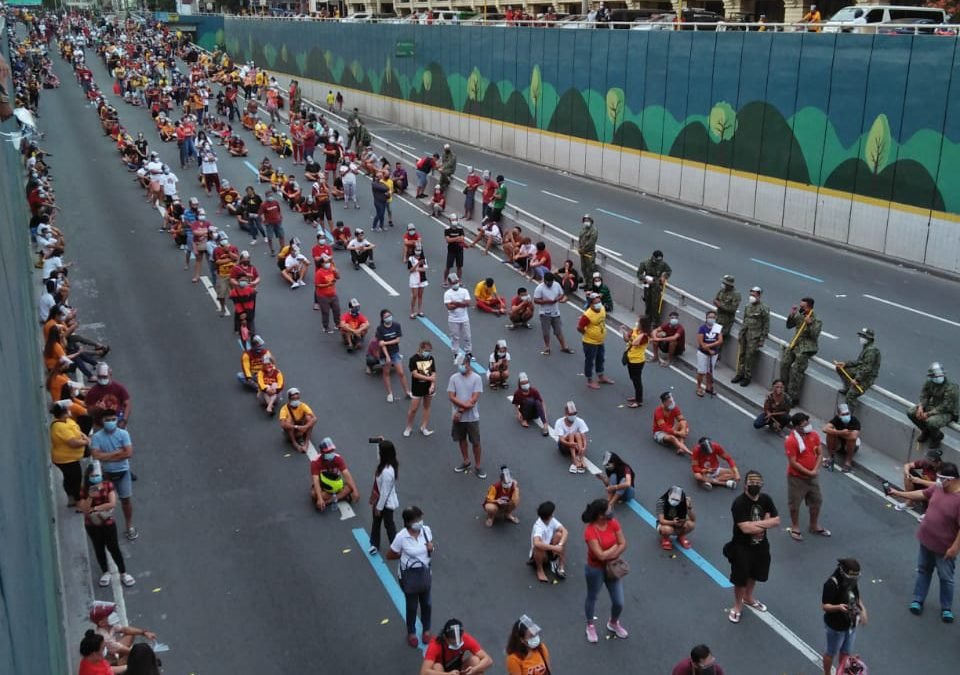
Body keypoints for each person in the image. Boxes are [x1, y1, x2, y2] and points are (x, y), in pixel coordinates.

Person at [886, 462, 960, 622]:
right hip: (926, 540)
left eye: (941, 478)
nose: (938, 481)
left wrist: (954, 548)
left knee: (946, 577)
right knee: (923, 571)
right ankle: (918, 599)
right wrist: (898, 493)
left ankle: (946, 607)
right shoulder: (939, 488)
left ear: (952, 479)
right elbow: (922, 494)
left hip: (944, 547)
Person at [725, 470, 780, 624]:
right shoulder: (739, 503)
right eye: (752, 483)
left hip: (761, 546)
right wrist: (765, 523)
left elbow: (776, 521)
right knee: (740, 578)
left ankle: (748, 597)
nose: (754, 486)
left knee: (754, 574)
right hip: (742, 547)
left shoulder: (766, 499)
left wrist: (757, 525)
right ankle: (737, 606)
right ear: (745, 485)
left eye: (757, 483)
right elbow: (745, 529)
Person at [78, 460, 136, 589]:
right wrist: (90, 497)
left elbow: (112, 503)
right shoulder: (85, 489)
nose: (95, 478)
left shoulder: (108, 485)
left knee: (113, 547)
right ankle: (105, 571)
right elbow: (83, 508)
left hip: (107, 522)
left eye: (97, 475)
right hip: (91, 524)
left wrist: (95, 509)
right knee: (98, 548)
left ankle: (123, 572)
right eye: (92, 476)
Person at [581, 498, 629, 642]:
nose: (611, 511)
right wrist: (615, 548)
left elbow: (624, 543)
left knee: (619, 601)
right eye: (608, 509)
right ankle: (590, 625)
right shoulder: (590, 532)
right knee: (592, 596)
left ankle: (613, 622)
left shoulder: (612, 523)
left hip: (612, 566)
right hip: (595, 569)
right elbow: (600, 556)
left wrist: (610, 552)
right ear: (600, 515)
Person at [391, 506, 436, 649]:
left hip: (424, 574)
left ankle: (426, 629)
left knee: (427, 604)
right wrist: (404, 554)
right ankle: (411, 632)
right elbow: (391, 554)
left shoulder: (426, 531)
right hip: (409, 577)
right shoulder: (401, 537)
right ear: (409, 522)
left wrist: (431, 549)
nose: (420, 522)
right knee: (411, 606)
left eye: (420, 519)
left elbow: (430, 548)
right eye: (417, 520)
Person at [89, 410, 137, 541]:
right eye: (107, 420)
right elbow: (95, 455)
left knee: (126, 501)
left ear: (117, 420)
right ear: (102, 422)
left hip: (123, 472)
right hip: (106, 475)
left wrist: (106, 457)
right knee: (104, 501)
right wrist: (117, 453)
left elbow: (128, 453)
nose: (110, 422)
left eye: (113, 419)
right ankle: (104, 526)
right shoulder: (97, 437)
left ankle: (129, 526)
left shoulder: (124, 434)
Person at [784, 412, 830, 541]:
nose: (808, 426)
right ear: (797, 427)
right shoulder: (791, 441)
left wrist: (814, 470)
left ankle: (814, 525)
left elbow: (820, 454)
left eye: (808, 423)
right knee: (795, 504)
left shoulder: (813, 435)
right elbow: (793, 462)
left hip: (812, 477)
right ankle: (795, 527)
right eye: (805, 424)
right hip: (797, 478)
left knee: (816, 501)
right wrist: (808, 472)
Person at [822, 558, 868, 675]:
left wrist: (863, 610)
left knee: (846, 653)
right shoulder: (831, 584)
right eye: (852, 578)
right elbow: (825, 606)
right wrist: (838, 607)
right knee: (831, 652)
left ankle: (841, 672)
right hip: (836, 626)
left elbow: (856, 596)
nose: (854, 581)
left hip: (850, 624)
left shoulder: (851, 582)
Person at [906, 362, 959, 450]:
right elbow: (924, 395)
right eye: (935, 376)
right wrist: (921, 407)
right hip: (933, 407)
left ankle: (937, 437)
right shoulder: (930, 383)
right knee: (911, 412)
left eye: (939, 376)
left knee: (931, 422)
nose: (937, 378)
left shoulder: (952, 388)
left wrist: (928, 414)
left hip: (947, 412)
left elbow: (946, 406)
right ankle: (926, 431)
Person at [449, 352, 485, 478]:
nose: (461, 367)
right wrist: (462, 409)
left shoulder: (476, 378)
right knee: (461, 439)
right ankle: (466, 461)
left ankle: (478, 465)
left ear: (468, 364)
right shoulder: (454, 378)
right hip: (458, 418)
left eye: (462, 364)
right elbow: (451, 396)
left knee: (476, 442)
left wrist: (459, 411)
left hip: (471, 417)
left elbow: (474, 399)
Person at [781, 297, 822, 405]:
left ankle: (792, 397)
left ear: (809, 307)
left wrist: (809, 324)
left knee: (796, 370)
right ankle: (782, 390)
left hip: (806, 347)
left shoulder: (816, 320)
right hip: (796, 343)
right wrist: (792, 315)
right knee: (784, 363)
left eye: (803, 307)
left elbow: (815, 335)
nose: (801, 308)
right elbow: (789, 326)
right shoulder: (800, 315)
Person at [50, 401, 89, 505]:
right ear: (64, 412)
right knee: (74, 479)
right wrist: (85, 442)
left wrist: (84, 436)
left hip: (72, 458)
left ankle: (73, 498)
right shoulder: (59, 427)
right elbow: (73, 443)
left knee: (72, 478)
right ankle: (77, 501)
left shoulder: (68, 421)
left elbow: (77, 430)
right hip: (65, 460)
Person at [420, 619, 493, 674]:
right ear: (445, 638)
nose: (456, 645)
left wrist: (475, 669)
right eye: (453, 642)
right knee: (436, 666)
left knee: (475, 660)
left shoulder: (465, 638)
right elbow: (424, 672)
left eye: (459, 641)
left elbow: (488, 660)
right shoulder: (435, 645)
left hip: (459, 669)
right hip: (442, 671)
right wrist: (448, 674)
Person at [732, 286, 770, 387]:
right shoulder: (747, 306)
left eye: (754, 295)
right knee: (742, 355)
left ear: (759, 295)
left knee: (750, 357)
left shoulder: (763, 308)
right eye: (751, 294)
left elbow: (766, 325)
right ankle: (739, 374)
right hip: (745, 334)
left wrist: (762, 339)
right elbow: (745, 320)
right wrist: (741, 333)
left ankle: (747, 377)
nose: (751, 296)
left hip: (754, 337)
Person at [309, 437, 359, 511]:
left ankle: (328, 502)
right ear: (322, 452)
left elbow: (346, 474)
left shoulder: (338, 458)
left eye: (332, 451)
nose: (330, 453)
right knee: (314, 494)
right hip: (324, 487)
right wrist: (319, 498)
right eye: (328, 452)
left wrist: (355, 490)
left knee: (350, 487)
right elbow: (316, 480)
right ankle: (341, 497)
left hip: (337, 485)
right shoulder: (315, 462)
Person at [834, 328, 881, 407]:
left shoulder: (871, 351)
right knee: (840, 369)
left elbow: (867, 369)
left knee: (851, 395)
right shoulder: (867, 348)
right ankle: (848, 387)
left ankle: (849, 416)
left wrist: (857, 379)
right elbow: (859, 362)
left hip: (867, 377)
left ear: (869, 339)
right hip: (860, 371)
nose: (861, 338)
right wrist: (845, 364)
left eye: (863, 337)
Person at [369, 439, 399, 556]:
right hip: (380, 500)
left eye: (380, 451)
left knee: (388, 524)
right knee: (376, 523)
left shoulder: (387, 472)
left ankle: (395, 547)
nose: (378, 454)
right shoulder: (385, 464)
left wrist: (379, 508)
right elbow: (379, 454)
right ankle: (374, 544)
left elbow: (385, 493)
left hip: (385, 503)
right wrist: (378, 443)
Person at [578, 292, 614, 390]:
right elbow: (579, 327)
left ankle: (600, 376)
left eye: (599, 302)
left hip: (600, 341)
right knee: (589, 361)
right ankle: (589, 380)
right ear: (590, 304)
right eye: (596, 302)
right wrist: (589, 334)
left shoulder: (602, 309)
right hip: (590, 342)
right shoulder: (587, 315)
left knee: (600, 358)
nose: (599, 304)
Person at [534, 272, 574, 356]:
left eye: (551, 282)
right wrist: (546, 301)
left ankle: (564, 346)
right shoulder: (539, 288)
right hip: (544, 313)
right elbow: (536, 300)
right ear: (544, 280)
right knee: (546, 332)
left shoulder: (556, 285)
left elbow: (562, 294)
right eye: (548, 282)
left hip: (555, 312)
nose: (550, 284)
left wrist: (557, 299)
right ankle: (547, 347)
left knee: (558, 331)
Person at [403, 339, 438, 436]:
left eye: (429, 351)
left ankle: (424, 427)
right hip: (417, 387)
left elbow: (434, 373)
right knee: (413, 409)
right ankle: (409, 427)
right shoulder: (413, 359)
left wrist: (432, 384)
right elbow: (415, 374)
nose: (428, 353)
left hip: (428, 387)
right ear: (421, 349)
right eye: (427, 351)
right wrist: (428, 378)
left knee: (427, 407)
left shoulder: (431, 358)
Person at [376, 309, 412, 403]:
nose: (388, 318)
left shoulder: (396, 325)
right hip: (384, 354)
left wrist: (386, 342)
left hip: (395, 352)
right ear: (383, 319)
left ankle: (407, 391)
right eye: (386, 317)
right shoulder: (380, 329)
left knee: (401, 372)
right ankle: (390, 393)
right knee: (386, 373)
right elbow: (381, 345)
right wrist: (387, 356)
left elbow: (397, 340)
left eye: (389, 315)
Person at [529, 500, 568, 582]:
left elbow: (565, 531)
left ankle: (560, 566)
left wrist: (559, 545)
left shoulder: (552, 520)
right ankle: (540, 570)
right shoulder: (538, 527)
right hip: (541, 554)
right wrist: (554, 548)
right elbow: (536, 543)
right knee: (538, 548)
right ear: (550, 515)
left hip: (550, 549)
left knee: (559, 535)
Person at [85, 363, 132, 429]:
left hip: (117, 423)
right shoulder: (92, 392)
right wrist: (97, 408)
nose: (102, 379)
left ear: (110, 375)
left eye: (104, 377)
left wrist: (124, 420)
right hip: (100, 425)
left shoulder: (119, 388)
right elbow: (89, 411)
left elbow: (127, 404)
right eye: (100, 377)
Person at [637, 249, 671, 327]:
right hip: (648, 287)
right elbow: (639, 274)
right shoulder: (645, 264)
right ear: (653, 257)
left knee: (656, 306)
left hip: (657, 288)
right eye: (657, 260)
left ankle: (655, 323)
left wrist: (664, 276)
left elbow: (669, 271)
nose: (659, 262)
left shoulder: (662, 264)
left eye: (660, 260)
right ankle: (647, 322)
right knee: (648, 305)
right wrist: (645, 278)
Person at [822, 403, 861, 473]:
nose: (846, 416)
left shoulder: (854, 421)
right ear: (839, 415)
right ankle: (830, 457)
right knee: (830, 433)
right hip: (838, 443)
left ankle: (848, 462)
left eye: (847, 413)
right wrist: (840, 432)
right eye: (843, 414)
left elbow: (853, 436)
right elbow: (825, 429)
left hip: (850, 446)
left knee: (851, 439)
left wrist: (836, 433)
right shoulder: (836, 419)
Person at [657, 485, 696, 551]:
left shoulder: (683, 503)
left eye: (677, 499)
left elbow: (693, 519)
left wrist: (689, 507)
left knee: (691, 525)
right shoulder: (661, 502)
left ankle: (681, 536)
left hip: (680, 523)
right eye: (673, 498)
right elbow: (661, 520)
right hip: (666, 524)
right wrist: (673, 522)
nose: (675, 501)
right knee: (666, 529)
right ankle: (665, 538)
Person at [622, 315, 650, 408]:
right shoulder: (635, 330)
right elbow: (627, 339)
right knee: (633, 378)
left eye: (638, 322)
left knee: (637, 380)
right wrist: (624, 332)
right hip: (630, 358)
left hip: (637, 361)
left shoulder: (644, 336)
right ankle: (637, 396)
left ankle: (639, 400)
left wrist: (641, 334)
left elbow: (635, 343)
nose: (636, 323)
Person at [278, 387, 316, 454]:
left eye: (297, 398)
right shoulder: (284, 409)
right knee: (288, 421)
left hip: (302, 428)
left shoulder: (302, 405)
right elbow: (282, 424)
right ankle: (294, 443)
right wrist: (296, 427)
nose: (296, 400)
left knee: (309, 418)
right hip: (292, 431)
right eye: (293, 399)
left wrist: (305, 426)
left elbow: (314, 418)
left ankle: (306, 442)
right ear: (289, 399)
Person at [555, 400, 590, 474]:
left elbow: (583, 436)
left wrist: (584, 447)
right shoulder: (559, 422)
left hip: (577, 446)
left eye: (575, 413)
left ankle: (581, 458)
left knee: (577, 434)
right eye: (571, 414)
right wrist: (570, 444)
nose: (573, 415)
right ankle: (574, 460)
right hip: (564, 445)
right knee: (571, 434)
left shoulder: (580, 421)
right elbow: (561, 439)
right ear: (566, 414)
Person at [653, 391, 691, 455]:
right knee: (672, 438)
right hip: (660, 432)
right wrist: (679, 433)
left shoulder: (674, 408)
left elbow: (682, 419)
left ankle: (681, 447)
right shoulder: (658, 412)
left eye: (672, 401)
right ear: (664, 403)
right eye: (670, 402)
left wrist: (683, 431)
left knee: (684, 424)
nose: (672, 403)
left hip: (671, 429)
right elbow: (664, 428)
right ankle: (689, 452)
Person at [443, 273, 473, 356]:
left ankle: (468, 352)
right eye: (453, 283)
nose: (455, 284)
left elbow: (468, 303)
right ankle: (455, 352)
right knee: (455, 337)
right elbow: (449, 307)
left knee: (467, 336)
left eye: (456, 282)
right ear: (450, 284)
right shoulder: (447, 294)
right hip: (453, 319)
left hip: (464, 318)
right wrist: (461, 303)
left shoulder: (464, 291)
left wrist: (456, 303)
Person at [696, 310, 723, 398]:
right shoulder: (702, 328)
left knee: (709, 372)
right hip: (703, 353)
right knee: (701, 371)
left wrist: (710, 346)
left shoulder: (717, 328)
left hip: (714, 354)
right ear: (706, 318)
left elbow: (720, 340)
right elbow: (701, 343)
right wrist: (708, 350)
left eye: (713, 317)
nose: (711, 319)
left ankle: (708, 387)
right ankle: (699, 387)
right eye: (710, 317)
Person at [713, 275, 740, 339]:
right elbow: (716, 299)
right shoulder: (722, 290)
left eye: (724, 283)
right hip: (718, 318)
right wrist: (716, 302)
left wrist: (720, 306)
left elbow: (733, 309)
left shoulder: (736, 294)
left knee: (720, 338)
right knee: (714, 336)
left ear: (729, 284)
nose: (723, 284)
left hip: (726, 322)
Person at [407, 241, 428, 319]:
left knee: (420, 296)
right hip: (414, 279)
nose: (418, 251)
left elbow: (425, 269)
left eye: (419, 250)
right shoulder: (411, 258)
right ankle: (412, 311)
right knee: (414, 296)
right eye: (416, 249)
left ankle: (419, 311)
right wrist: (418, 264)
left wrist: (416, 268)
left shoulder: (424, 259)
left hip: (422, 279)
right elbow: (410, 270)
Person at [442, 216, 466, 283]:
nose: (454, 221)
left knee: (459, 266)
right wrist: (457, 238)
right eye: (453, 220)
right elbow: (448, 240)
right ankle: (445, 280)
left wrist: (453, 239)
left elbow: (462, 239)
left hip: (459, 250)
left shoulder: (460, 229)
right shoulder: (447, 229)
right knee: (448, 267)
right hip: (451, 251)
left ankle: (459, 280)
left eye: (455, 219)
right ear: (450, 220)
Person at [578, 214, 598, 281]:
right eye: (585, 220)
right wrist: (580, 248)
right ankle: (586, 283)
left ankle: (590, 285)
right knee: (583, 268)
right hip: (583, 253)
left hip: (589, 253)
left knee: (590, 270)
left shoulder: (594, 230)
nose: (586, 221)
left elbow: (591, 243)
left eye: (587, 220)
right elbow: (580, 239)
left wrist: (583, 249)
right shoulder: (584, 229)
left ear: (591, 221)